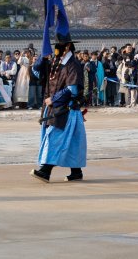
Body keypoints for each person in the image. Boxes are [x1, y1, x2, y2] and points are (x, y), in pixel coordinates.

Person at [30, 32, 87, 183]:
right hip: (54, 108)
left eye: (59, 46)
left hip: (66, 109)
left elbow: (72, 89)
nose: (57, 49)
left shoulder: (73, 64)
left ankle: (45, 170)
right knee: (72, 142)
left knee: (54, 138)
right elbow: (35, 72)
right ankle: (76, 172)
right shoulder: (55, 63)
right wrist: (43, 57)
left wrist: (54, 99)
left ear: (68, 46)